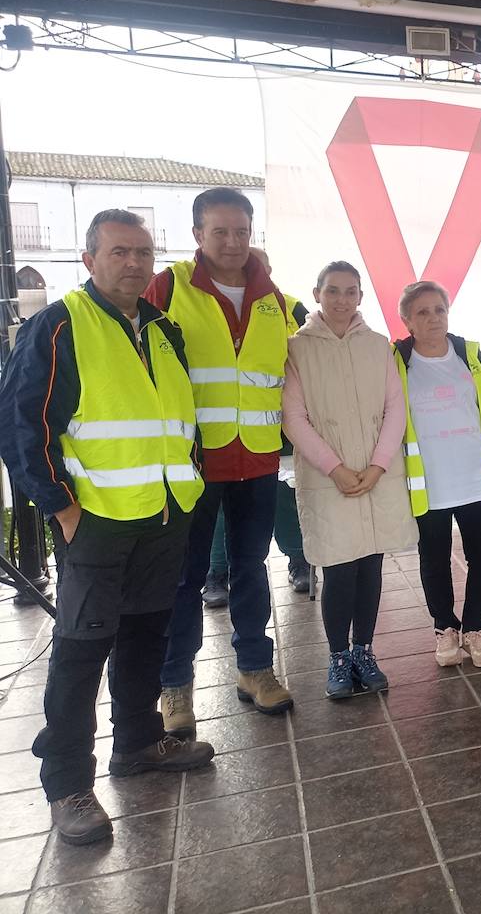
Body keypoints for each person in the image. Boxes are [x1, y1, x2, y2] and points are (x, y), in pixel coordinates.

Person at [0, 210, 214, 845]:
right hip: (94, 521)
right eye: (120, 251)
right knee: (82, 648)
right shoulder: (59, 325)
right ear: (90, 259)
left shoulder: (161, 329)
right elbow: (22, 428)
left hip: (163, 512)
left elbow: (177, 420)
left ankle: (139, 743)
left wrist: (189, 480)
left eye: (144, 252)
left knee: (148, 633)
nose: (135, 263)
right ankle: (68, 781)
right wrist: (61, 507)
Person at [149, 188, 293, 734]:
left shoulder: (272, 298)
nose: (232, 242)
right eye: (219, 231)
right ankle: (174, 686)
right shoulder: (167, 289)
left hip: (255, 460)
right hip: (193, 462)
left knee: (252, 569)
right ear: (197, 236)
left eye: (240, 231)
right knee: (185, 579)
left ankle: (255, 669)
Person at [283, 262, 416, 698]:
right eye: (333, 291)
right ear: (317, 293)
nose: (342, 299)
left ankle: (364, 649)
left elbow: (396, 408)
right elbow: (293, 417)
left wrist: (378, 465)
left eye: (350, 291)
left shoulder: (379, 346)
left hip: (376, 474)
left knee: (371, 566)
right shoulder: (296, 349)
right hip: (329, 476)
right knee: (339, 570)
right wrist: (334, 467)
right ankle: (338, 656)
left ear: (361, 297)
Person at [395, 281, 481, 668]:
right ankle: (445, 628)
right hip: (428, 481)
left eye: (439, 310)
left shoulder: (469, 354)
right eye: (423, 312)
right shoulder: (397, 360)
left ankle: (476, 629)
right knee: (433, 556)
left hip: (475, 476)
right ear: (407, 320)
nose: (433, 318)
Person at [202, 247, 311, 605]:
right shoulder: (210, 305)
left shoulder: (289, 307)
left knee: (285, 500)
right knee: (220, 511)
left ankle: (298, 560)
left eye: (259, 269)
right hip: (220, 433)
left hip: (279, 430)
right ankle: (216, 573)